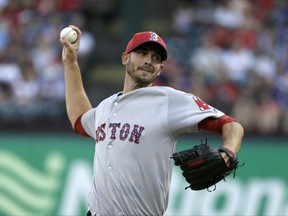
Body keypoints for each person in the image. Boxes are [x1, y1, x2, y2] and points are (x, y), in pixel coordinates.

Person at [60, 25, 244, 216]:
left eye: (156, 58)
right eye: (142, 53)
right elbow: (80, 121)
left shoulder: (169, 100)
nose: (149, 61)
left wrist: (227, 153)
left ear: (160, 68)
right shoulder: (106, 106)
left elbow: (231, 125)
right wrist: (71, 63)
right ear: (125, 58)